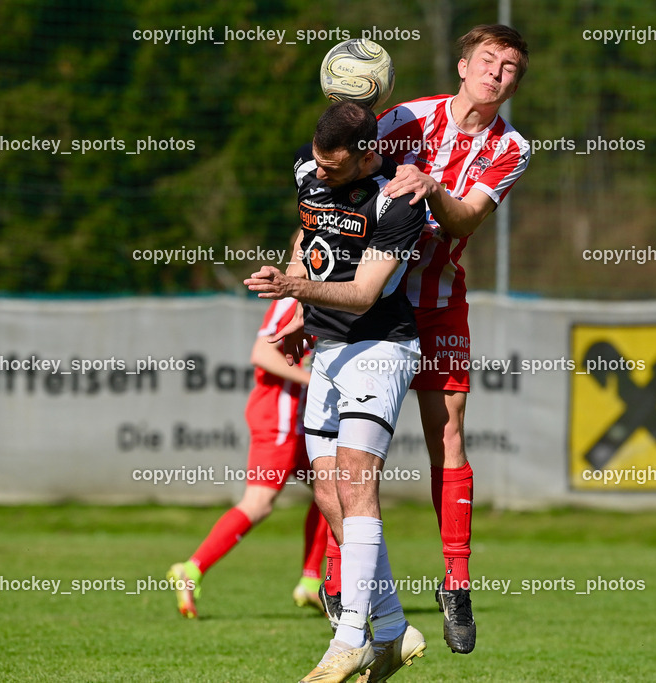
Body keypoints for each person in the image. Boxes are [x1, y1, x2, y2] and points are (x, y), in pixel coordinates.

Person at [319, 24, 531, 655]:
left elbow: (467, 216)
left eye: (511, 67)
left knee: (449, 436)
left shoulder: (511, 147)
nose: (497, 72)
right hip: (369, 302)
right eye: (487, 60)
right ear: (463, 65)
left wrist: (433, 187)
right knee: (338, 449)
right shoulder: (404, 117)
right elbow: (344, 172)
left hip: (438, 305)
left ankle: (456, 584)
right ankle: (336, 573)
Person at [245, 101, 426, 682]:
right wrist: (299, 303)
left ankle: (350, 637)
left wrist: (294, 286)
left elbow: (366, 292)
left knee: (354, 480)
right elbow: (308, 233)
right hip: (326, 348)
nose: (318, 173)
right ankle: (394, 629)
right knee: (328, 495)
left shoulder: (399, 201)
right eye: (316, 162)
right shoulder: (309, 167)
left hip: (379, 347)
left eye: (332, 166)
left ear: (367, 153)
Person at [167, 296, 328, 618]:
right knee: (258, 503)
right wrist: (316, 381)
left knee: (335, 491)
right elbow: (262, 352)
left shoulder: (319, 295)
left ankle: (311, 583)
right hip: (280, 420)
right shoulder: (291, 300)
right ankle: (191, 569)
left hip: (300, 422)